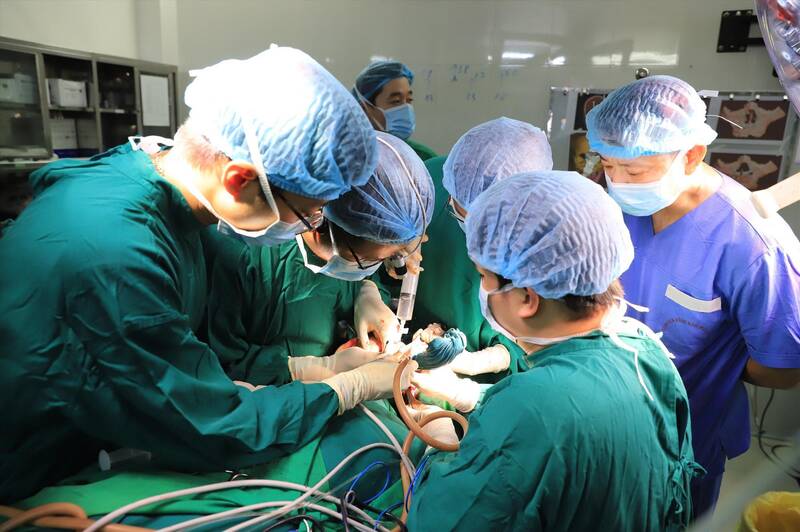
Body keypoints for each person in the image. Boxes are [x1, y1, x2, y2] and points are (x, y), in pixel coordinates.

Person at [0, 47, 413, 503]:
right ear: (239, 179)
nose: (311, 228)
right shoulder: (115, 258)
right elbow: (215, 426)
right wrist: (343, 387)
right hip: (25, 467)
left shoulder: (152, 180)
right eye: (309, 213)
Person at [407, 171, 700, 531]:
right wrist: (478, 397)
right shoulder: (646, 353)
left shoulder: (531, 408)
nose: (481, 288)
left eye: (484, 276)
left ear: (527, 298)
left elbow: (445, 522)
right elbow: (580, 425)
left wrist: (439, 444)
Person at [586, 74, 800, 518]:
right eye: (608, 165)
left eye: (634, 171)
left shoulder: (752, 243)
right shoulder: (614, 208)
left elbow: (783, 368)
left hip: (687, 436)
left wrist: (710, 364)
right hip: (601, 420)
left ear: (693, 155)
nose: (618, 181)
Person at [205, 131, 434, 385]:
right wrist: (309, 369)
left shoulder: (359, 249)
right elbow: (220, 362)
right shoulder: (244, 254)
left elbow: (362, 272)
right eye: (369, 261)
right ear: (320, 223)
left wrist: (367, 293)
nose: (374, 268)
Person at [406, 117, 554, 413]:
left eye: (482, 221)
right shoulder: (433, 181)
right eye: (458, 210)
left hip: (496, 392)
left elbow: (542, 347)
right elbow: (379, 259)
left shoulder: (548, 240)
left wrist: (480, 362)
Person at [353, 60, 438, 161]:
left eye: (409, 100)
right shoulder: (350, 159)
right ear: (364, 109)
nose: (406, 108)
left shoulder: (424, 158)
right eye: (396, 101)